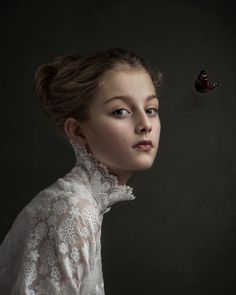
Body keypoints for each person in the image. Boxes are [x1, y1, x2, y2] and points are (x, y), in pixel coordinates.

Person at [0, 48, 162, 294]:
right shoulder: (72, 210)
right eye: (120, 111)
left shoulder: (81, 202)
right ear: (77, 131)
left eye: (150, 109)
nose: (145, 124)